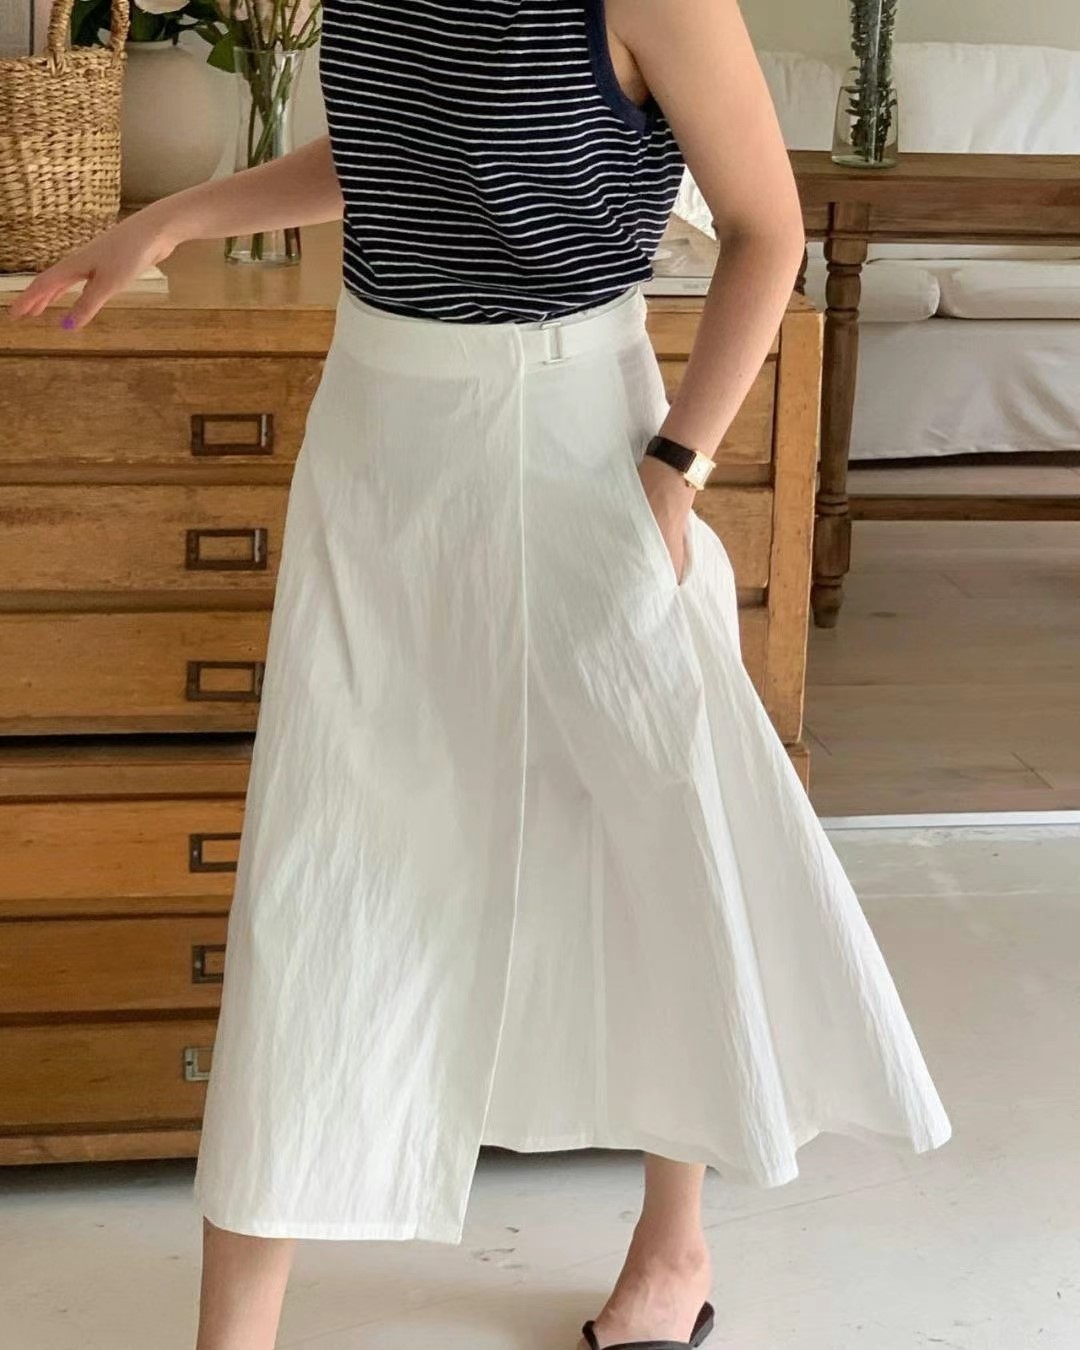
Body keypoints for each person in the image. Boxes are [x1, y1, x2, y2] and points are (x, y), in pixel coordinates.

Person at [10, 3, 952, 1349]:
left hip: (581, 445)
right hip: (378, 440)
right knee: (319, 863)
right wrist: (174, 219)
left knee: (651, 830)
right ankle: (235, 1336)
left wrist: (675, 470)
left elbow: (767, 229)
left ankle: (673, 1245)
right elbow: (390, 151)